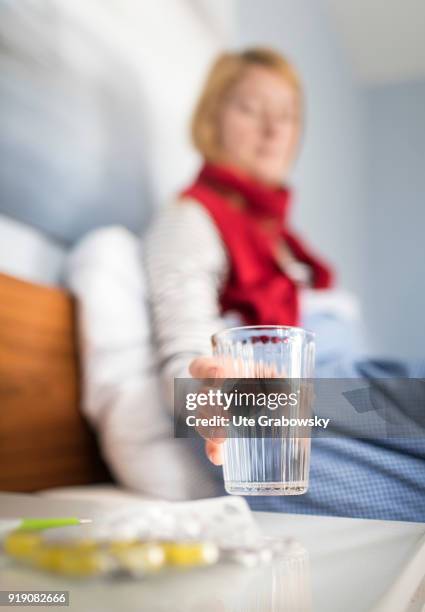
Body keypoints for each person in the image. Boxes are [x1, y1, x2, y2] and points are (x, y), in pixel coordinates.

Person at [144, 48, 425, 521]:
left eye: (287, 115)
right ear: (212, 120)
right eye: (252, 109)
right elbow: (185, 352)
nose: (274, 130)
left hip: (347, 399)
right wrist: (205, 392)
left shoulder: (286, 244)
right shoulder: (191, 219)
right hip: (283, 419)